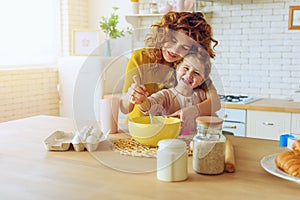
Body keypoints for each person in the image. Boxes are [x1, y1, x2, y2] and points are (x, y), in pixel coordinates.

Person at [119, 11, 220, 121]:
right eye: (173, 40)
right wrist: (131, 96)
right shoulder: (140, 57)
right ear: (164, 34)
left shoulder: (187, 68)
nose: (175, 50)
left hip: (171, 129)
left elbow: (215, 102)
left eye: (185, 48)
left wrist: (193, 111)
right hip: (140, 126)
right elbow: (125, 109)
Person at [131, 50, 212, 135]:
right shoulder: (166, 95)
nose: (189, 75)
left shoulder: (202, 96)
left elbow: (211, 119)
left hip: (194, 143)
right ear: (177, 68)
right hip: (171, 141)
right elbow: (149, 105)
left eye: (196, 73)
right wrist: (142, 100)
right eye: (186, 68)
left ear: (202, 81)